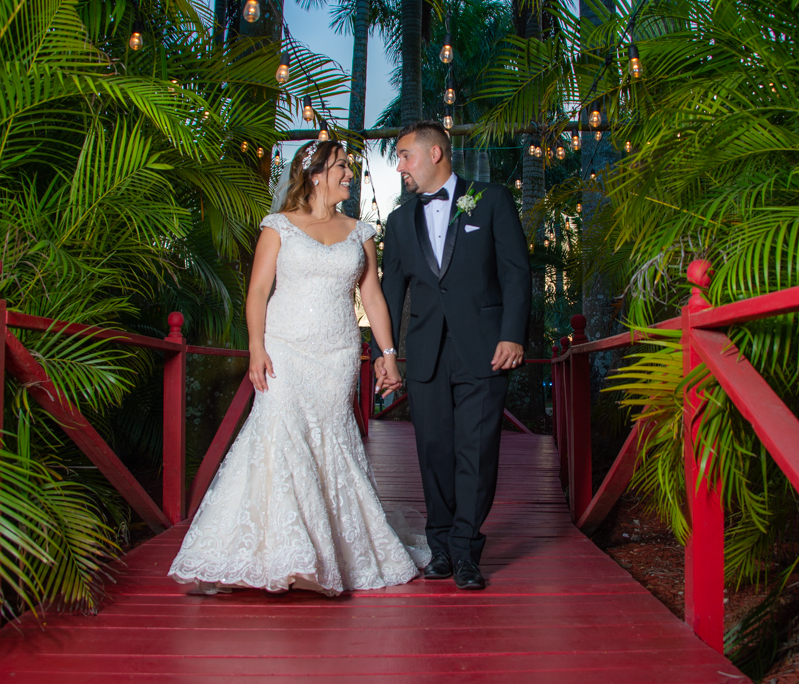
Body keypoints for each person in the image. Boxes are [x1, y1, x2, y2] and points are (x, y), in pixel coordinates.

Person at [168, 140, 419, 596]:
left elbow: (373, 297)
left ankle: (326, 555)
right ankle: (283, 553)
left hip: (338, 353)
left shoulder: (360, 231)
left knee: (330, 441)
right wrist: (256, 348)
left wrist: (385, 353)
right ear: (318, 173)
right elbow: (259, 291)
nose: (350, 174)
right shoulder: (278, 226)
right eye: (343, 166)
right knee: (278, 438)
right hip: (284, 350)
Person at [375, 121, 531, 590]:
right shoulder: (400, 222)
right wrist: (387, 354)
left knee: (477, 451)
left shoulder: (492, 199)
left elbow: (516, 273)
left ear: (436, 153)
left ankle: (466, 550)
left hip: (485, 349)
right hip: (425, 354)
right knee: (434, 452)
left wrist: (513, 334)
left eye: (404, 155)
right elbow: (388, 292)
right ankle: (439, 546)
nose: (399, 165)